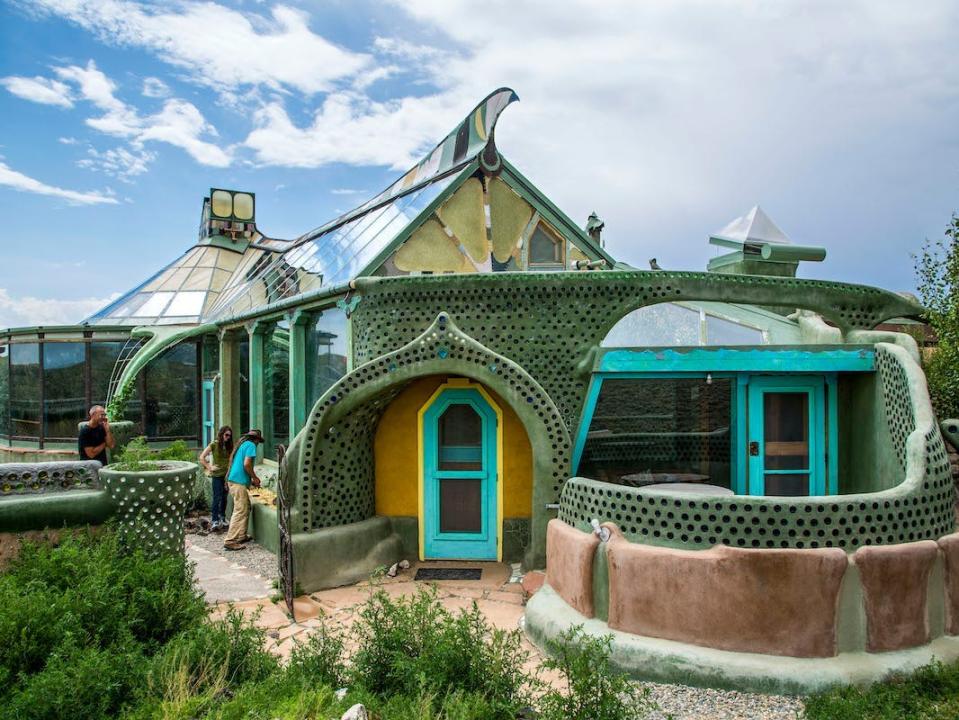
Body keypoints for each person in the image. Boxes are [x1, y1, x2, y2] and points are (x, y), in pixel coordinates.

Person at [223, 429, 263, 551]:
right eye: (258, 442)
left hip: (235, 481)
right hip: (238, 483)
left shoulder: (243, 444)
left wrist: (249, 481)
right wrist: (255, 478)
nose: (258, 444)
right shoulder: (251, 445)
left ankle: (241, 535)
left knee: (246, 507)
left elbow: (241, 466)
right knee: (240, 510)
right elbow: (246, 465)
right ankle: (230, 540)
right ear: (256, 440)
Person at [199, 426, 233, 532]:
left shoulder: (229, 446)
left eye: (229, 436)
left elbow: (231, 460)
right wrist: (209, 467)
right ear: (221, 434)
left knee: (224, 497)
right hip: (217, 475)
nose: (228, 437)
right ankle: (214, 520)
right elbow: (202, 457)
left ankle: (222, 517)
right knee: (217, 497)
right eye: (226, 435)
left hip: (227, 475)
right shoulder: (214, 444)